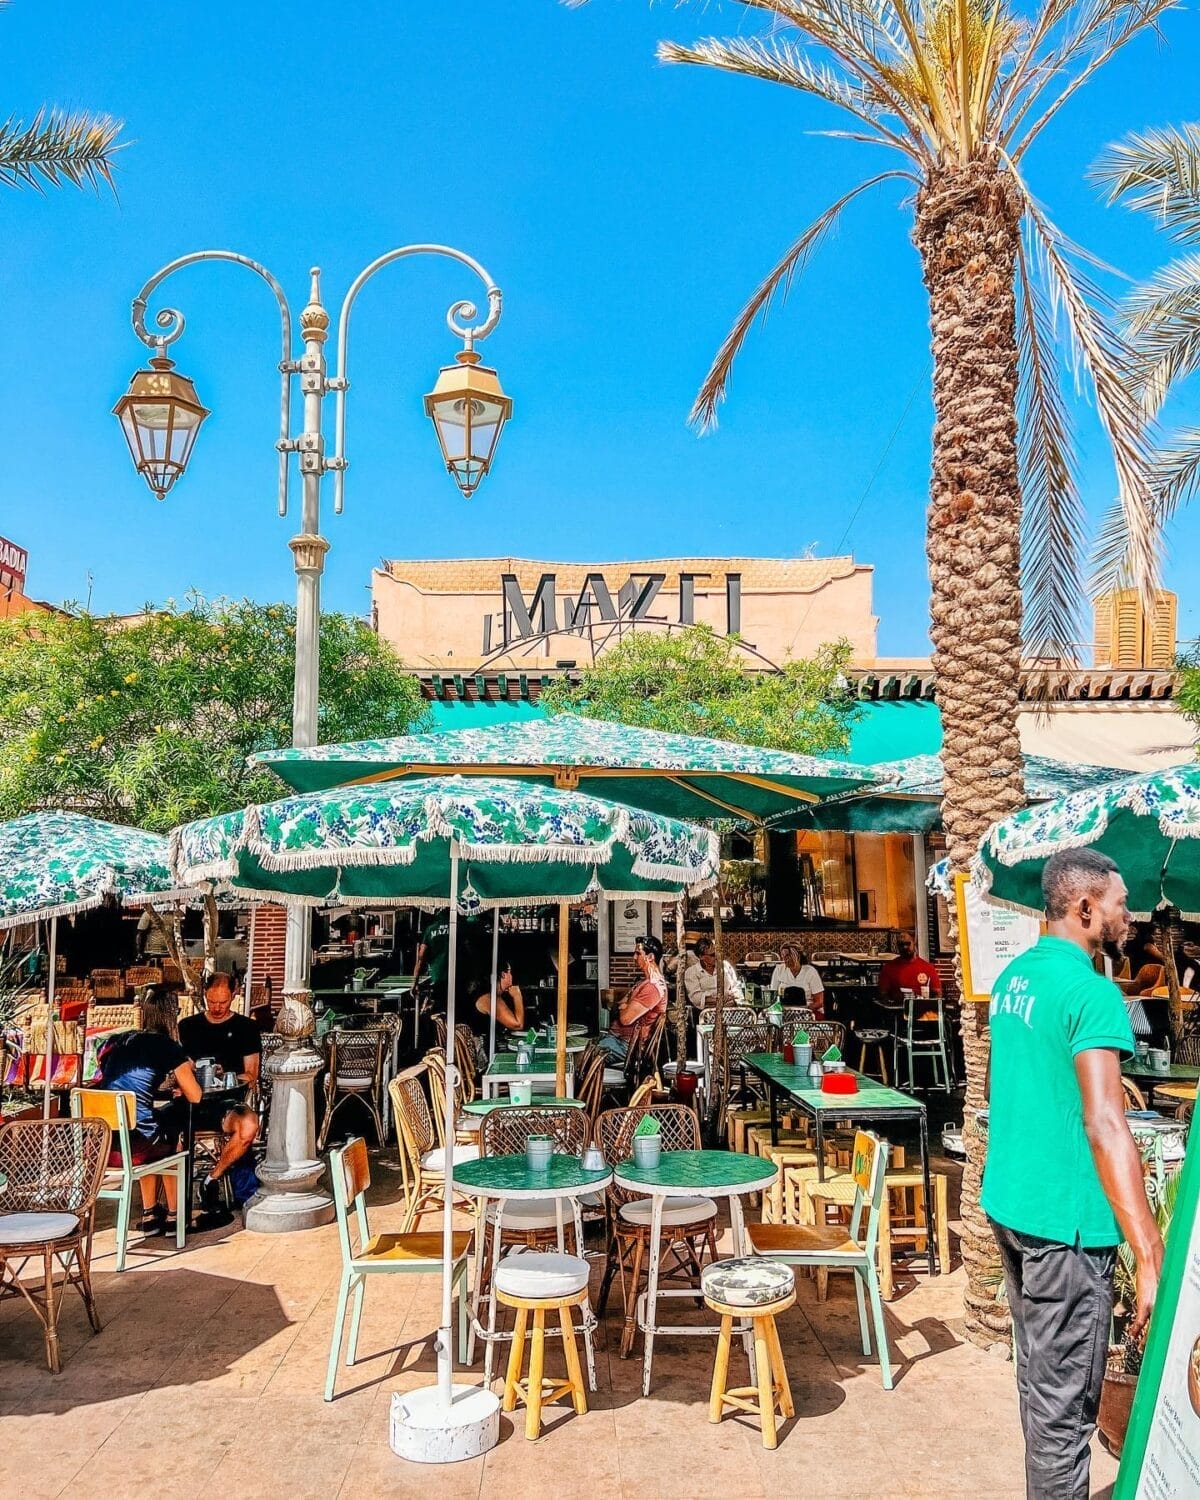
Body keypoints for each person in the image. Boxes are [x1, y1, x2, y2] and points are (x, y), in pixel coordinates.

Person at [983, 847, 1163, 1500]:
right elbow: (1105, 1121)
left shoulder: (1015, 979)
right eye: (1119, 903)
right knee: (1064, 1411)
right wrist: (1148, 1248)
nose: (1128, 916)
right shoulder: (1089, 993)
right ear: (1085, 907)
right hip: (1066, 1228)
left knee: (1039, 1386)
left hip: (1013, 1206)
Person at [97, 986, 202, 1238]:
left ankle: (150, 1213)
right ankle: (176, 1215)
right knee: (172, 1134)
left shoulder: (118, 1041)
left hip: (103, 1144)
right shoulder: (165, 1045)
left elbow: (118, 1078)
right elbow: (195, 1095)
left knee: (151, 1124)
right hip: (137, 1147)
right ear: (171, 1014)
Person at [179, 972, 262, 1204]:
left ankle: (213, 1178)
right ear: (204, 995)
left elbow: (251, 1075)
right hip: (190, 1102)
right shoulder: (188, 1026)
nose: (216, 1008)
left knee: (249, 1125)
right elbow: (178, 1066)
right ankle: (172, 1200)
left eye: (223, 1002)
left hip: (227, 1102)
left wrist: (224, 1076)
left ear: (234, 995)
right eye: (211, 1001)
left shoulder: (245, 1028)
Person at [600, 935, 668, 1060]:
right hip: (618, 1041)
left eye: (638, 953)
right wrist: (625, 1005)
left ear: (651, 957)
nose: (634, 957)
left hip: (626, 1046)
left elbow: (625, 1019)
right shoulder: (643, 982)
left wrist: (626, 1005)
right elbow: (621, 1004)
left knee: (580, 1056)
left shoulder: (652, 987)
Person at [877, 932, 941, 1007]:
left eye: (908, 944)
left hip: (922, 1012)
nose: (905, 947)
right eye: (901, 945)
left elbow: (937, 994)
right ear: (897, 947)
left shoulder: (927, 967)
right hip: (898, 1012)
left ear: (914, 943)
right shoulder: (889, 968)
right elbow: (883, 994)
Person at [683, 936, 745, 1010]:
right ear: (701, 956)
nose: (717, 957)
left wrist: (733, 998)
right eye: (712, 955)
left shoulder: (725, 966)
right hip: (706, 1011)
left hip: (730, 1008)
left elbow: (736, 987)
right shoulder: (692, 972)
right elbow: (696, 998)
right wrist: (719, 1001)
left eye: (718, 953)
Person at [468, 962, 526, 1039]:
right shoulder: (489, 998)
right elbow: (517, 1025)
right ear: (503, 974)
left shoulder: (493, 994)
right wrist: (517, 996)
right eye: (510, 972)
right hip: (482, 1048)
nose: (511, 976)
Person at [769, 944, 825, 1015]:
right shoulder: (778, 970)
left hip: (808, 1011)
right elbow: (773, 996)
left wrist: (803, 1010)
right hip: (784, 1011)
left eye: (787, 956)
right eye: (783, 956)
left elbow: (819, 1002)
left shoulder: (810, 971)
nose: (784, 959)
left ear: (797, 956)